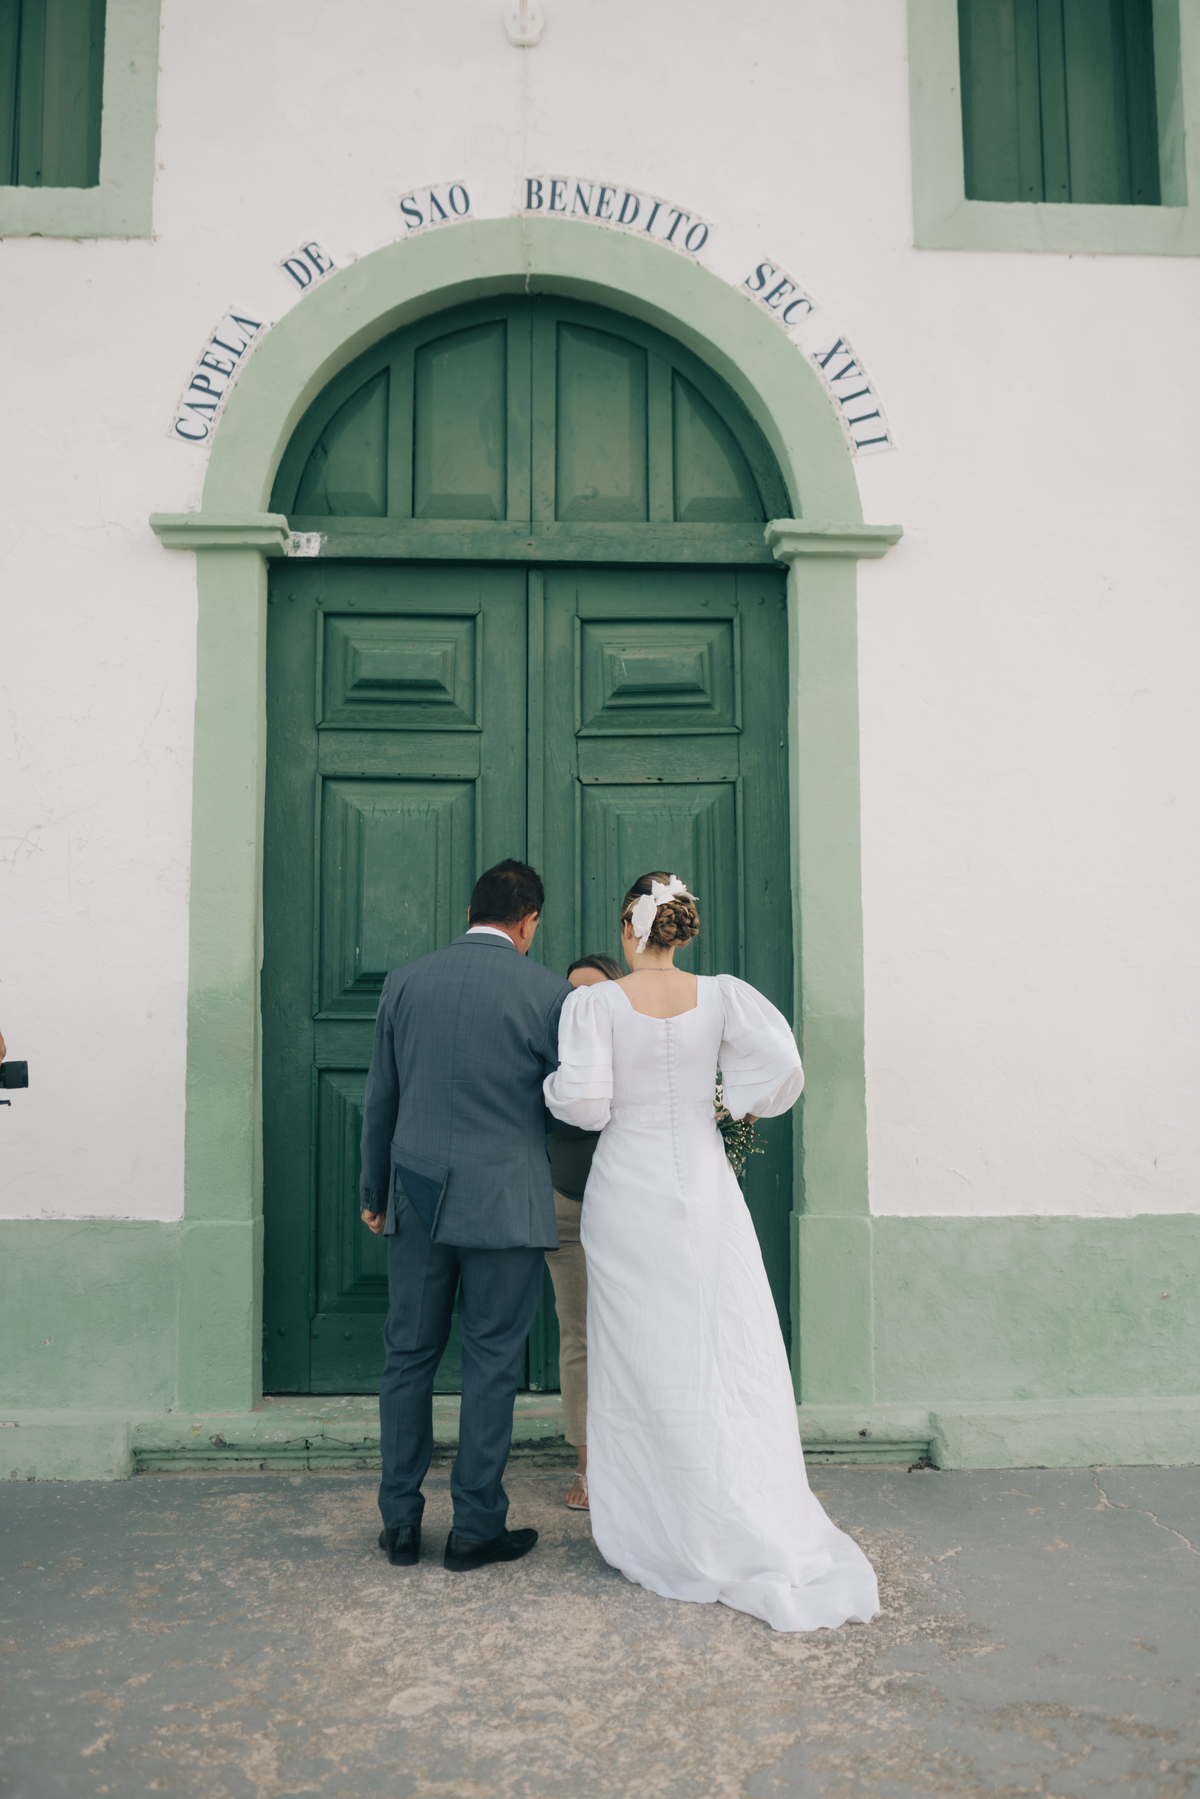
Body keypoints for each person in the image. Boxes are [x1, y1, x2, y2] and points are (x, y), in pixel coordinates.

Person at [544, 872, 880, 1633]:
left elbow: (587, 1104)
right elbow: (780, 1071)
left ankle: (663, 1516)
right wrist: (720, 1101)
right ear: (676, 926)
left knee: (637, 1350)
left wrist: (555, 1089)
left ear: (630, 926)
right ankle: (735, 1502)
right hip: (702, 1181)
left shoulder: (595, 1004)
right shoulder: (724, 994)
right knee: (722, 1339)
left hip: (625, 1188)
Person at [359, 859, 572, 1573]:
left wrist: (374, 1192)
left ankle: (398, 1522)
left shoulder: (405, 981)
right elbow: (564, 1104)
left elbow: (381, 1097)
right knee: (490, 1363)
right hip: (506, 1202)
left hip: (416, 1196)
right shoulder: (548, 993)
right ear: (528, 920)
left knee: (408, 1356)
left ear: (473, 908)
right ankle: (475, 1527)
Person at [545, 952, 623, 1511]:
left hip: (634, 1211)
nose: (584, 1005)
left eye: (595, 994)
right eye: (574, 996)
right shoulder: (549, 1055)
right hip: (566, 1209)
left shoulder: (639, 1050)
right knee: (580, 1339)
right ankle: (588, 1469)